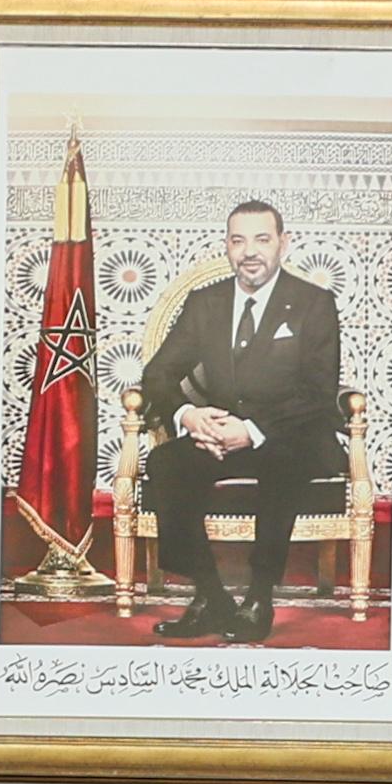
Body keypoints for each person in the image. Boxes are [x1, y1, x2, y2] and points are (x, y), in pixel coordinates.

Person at [140, 199, 344, 645]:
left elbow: (317, 392)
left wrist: (249, 432)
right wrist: (190, 416)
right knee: (167, 465)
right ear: (227, 247)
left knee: (281, 462)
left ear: (283, 244)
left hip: (290, 435)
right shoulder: (205, 304)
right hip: (218, 435)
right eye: (238, 240)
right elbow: (156, 374)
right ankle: (210, 596)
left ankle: (259, 596)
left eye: (261, 239)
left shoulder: (313, 304)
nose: (250, 251)